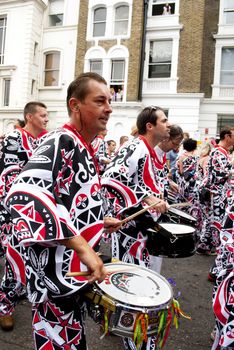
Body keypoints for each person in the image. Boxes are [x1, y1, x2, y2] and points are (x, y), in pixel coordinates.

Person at [5, 72, 121, 349]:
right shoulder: (61, 141)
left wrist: (98, 222)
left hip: (73, 276)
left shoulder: (83, 145)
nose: (109, 108)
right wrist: (82, 246)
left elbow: (67, 201)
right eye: (100, 101)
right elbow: (23, 196)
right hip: (55, 279)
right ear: (75, 105)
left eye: (110, 101)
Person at [102, 105, 170, 350]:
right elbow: (110, 178)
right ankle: (134, 339)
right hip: (130, 230)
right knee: (132, 287)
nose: (168, 124)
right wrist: (145, 199)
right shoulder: (135, 146)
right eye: (164, 120)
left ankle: (126, 330)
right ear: (150, 126)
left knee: (137, 284)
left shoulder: (149, 150)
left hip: (141, 230)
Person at [0, 101, 48, 331]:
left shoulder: (44, 141)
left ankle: (23, 296)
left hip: (38, 213)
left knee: (34, 261)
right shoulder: (14, 139)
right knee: (14, 262)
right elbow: (9, 176)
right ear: (30, 117)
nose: (46, 119)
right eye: (42, 115)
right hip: (16, 212)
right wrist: (17, 213)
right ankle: (4, 308)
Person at [201, 127, 234, 281]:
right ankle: (213, 248)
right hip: (217, 194)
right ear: (227, 136)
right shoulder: (218, 152)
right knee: (218, 223)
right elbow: (221, 174)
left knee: (218, 223)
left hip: (222, 194)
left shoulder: (222, 152)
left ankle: (209, 247)